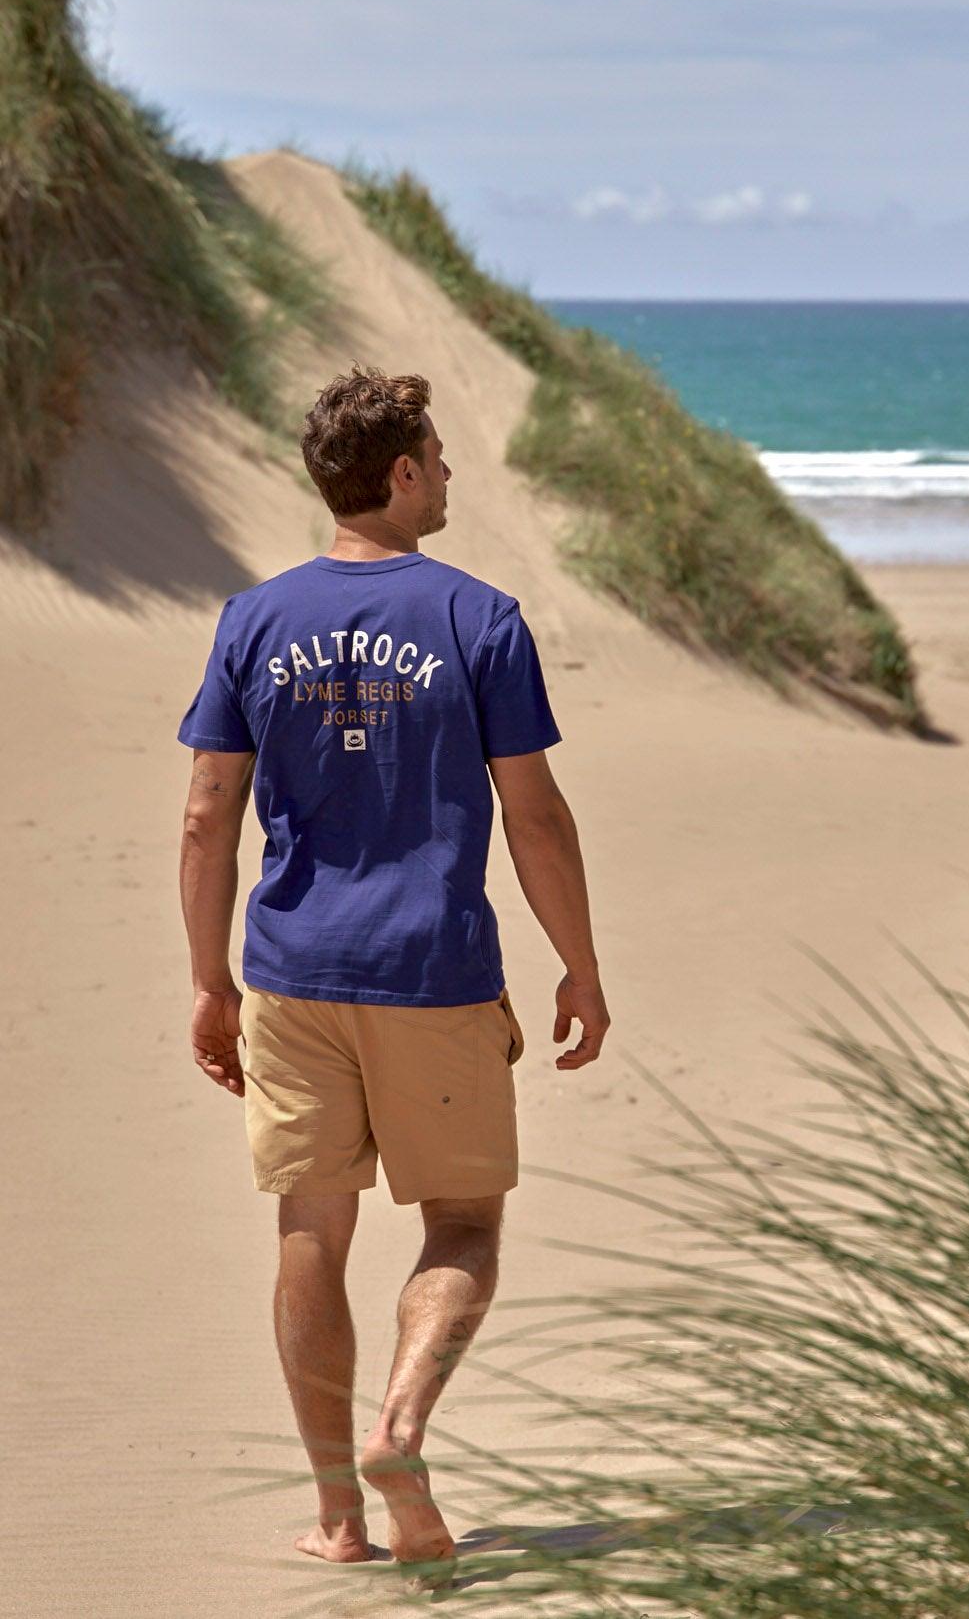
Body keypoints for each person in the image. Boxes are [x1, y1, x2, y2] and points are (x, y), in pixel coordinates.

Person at [176, 364, 611, 1589]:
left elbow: (206, 815)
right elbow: (533, 814)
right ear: (403, 474)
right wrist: (579, 966)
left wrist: (208, 980)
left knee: (310, 1226)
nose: (451, 474)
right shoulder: (479, 618)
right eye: (439, 456)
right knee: (462, 1221)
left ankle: (336, 1515)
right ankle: (401, 1431)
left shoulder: (253, 619)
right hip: (433, 967)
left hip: (291, 967)